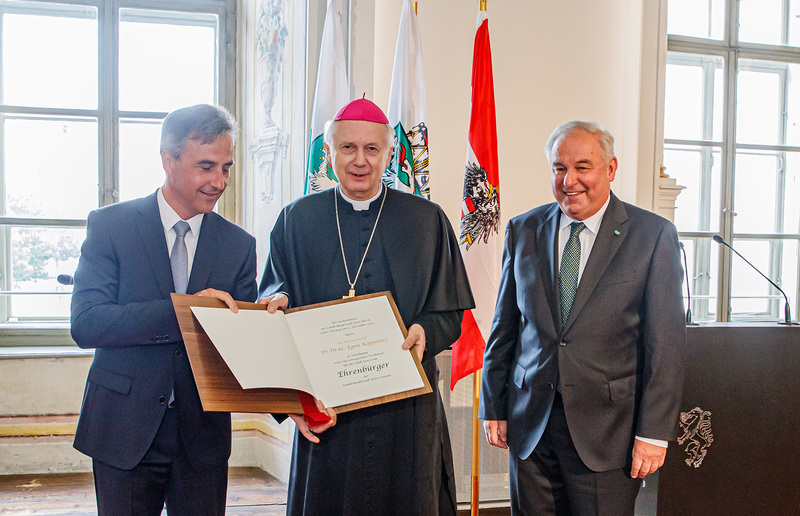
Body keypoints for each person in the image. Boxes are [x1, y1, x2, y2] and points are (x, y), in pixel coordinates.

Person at [259, 97, 475, 515]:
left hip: (405, 407)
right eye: (348, 148)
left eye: (372, 149)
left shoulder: (426, 220)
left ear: (389, 154)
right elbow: (275, 293)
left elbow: (451, 312)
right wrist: (279, 300)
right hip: (328, 404)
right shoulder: (296, 220)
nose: (360, 160)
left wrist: (425, 331)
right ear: (328, 153)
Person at [479, 120, 686, 515]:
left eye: (582, 167)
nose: (569, 180)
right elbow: (504, 327)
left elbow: (666, 345)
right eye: (559, 168)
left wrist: (654, 432)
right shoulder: (523, 229)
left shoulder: (653, 235)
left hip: (608, 435)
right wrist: (494, 404)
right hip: (530, 428)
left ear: (610, 169)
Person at [70, 104, 258, 516]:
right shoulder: (111, 226)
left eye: (226, 168)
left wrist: (267, 325)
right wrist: (187, 312)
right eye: (206, 166)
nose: (218, 182)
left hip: (202, 438)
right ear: (167, 160)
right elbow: (86, 324)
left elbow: (242, 351)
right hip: (123, 429)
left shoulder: (239, 246)